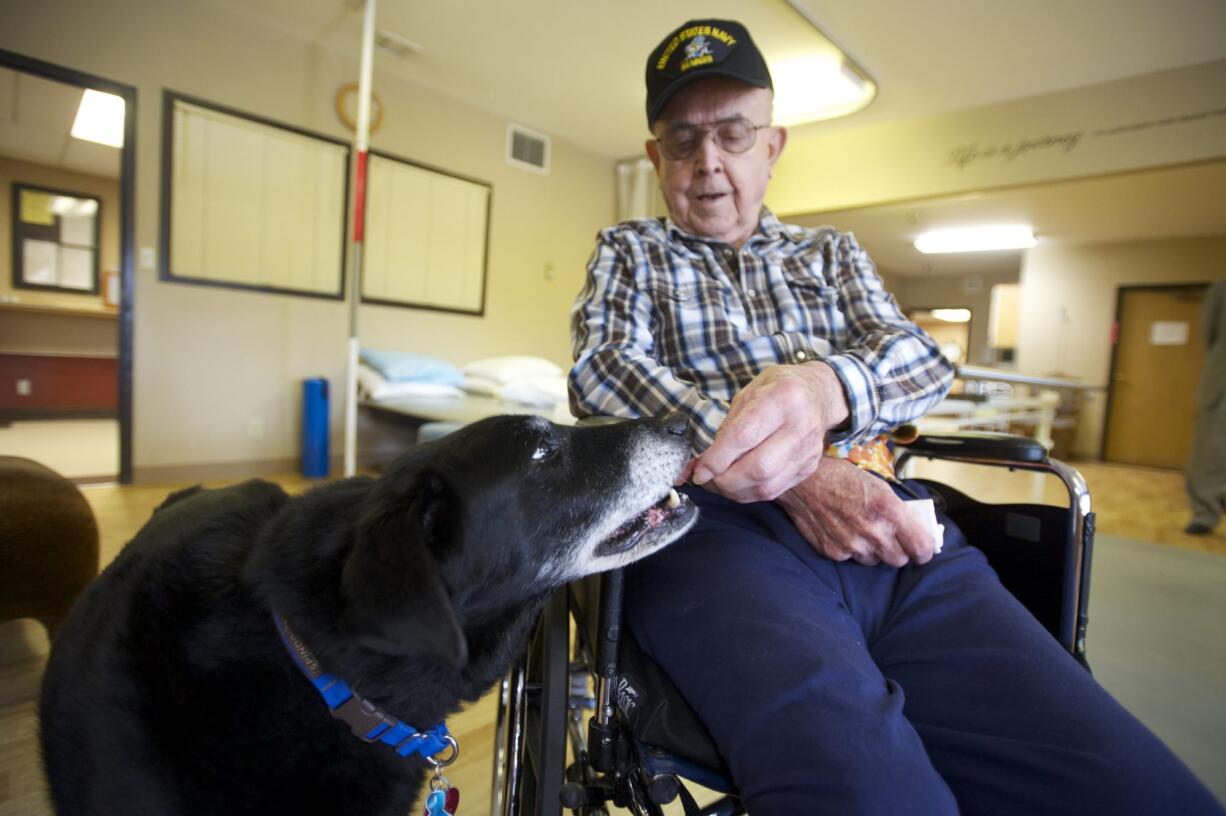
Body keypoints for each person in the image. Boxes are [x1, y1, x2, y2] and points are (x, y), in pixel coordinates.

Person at [568, 18, 1224, 815]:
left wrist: (822, 390)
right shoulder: (630, 251)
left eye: (733, 134)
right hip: (713, 538)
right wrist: (793, 465)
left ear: (771, 147)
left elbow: (921, 358)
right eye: (682, 139)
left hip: (894, 537)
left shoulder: (832, 254)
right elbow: (601, 372)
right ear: (655, 157)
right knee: (872, 795)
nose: (709, 161)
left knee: (1134, 787)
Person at [1185, 279, 1226, 535]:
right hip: (1221, 384)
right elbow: (1209, 335)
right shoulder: (1221, 289)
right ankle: (1205, 511)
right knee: (1209, 450)